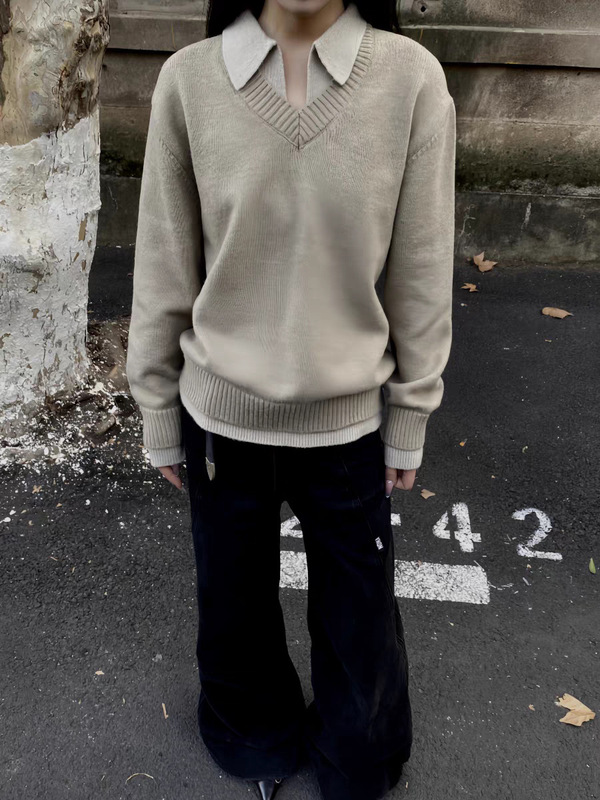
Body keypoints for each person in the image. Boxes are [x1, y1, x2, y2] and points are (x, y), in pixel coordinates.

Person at [125, 0, 456, 798]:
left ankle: (358, 756)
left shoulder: (410, 79)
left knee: (359, 621)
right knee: (232, 611)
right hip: (220, 419)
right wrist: (158, 408)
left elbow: (422, 266)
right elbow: (165, 262)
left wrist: (411, 411)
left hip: (351, 423)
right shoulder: (189, 82)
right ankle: (252, 741)